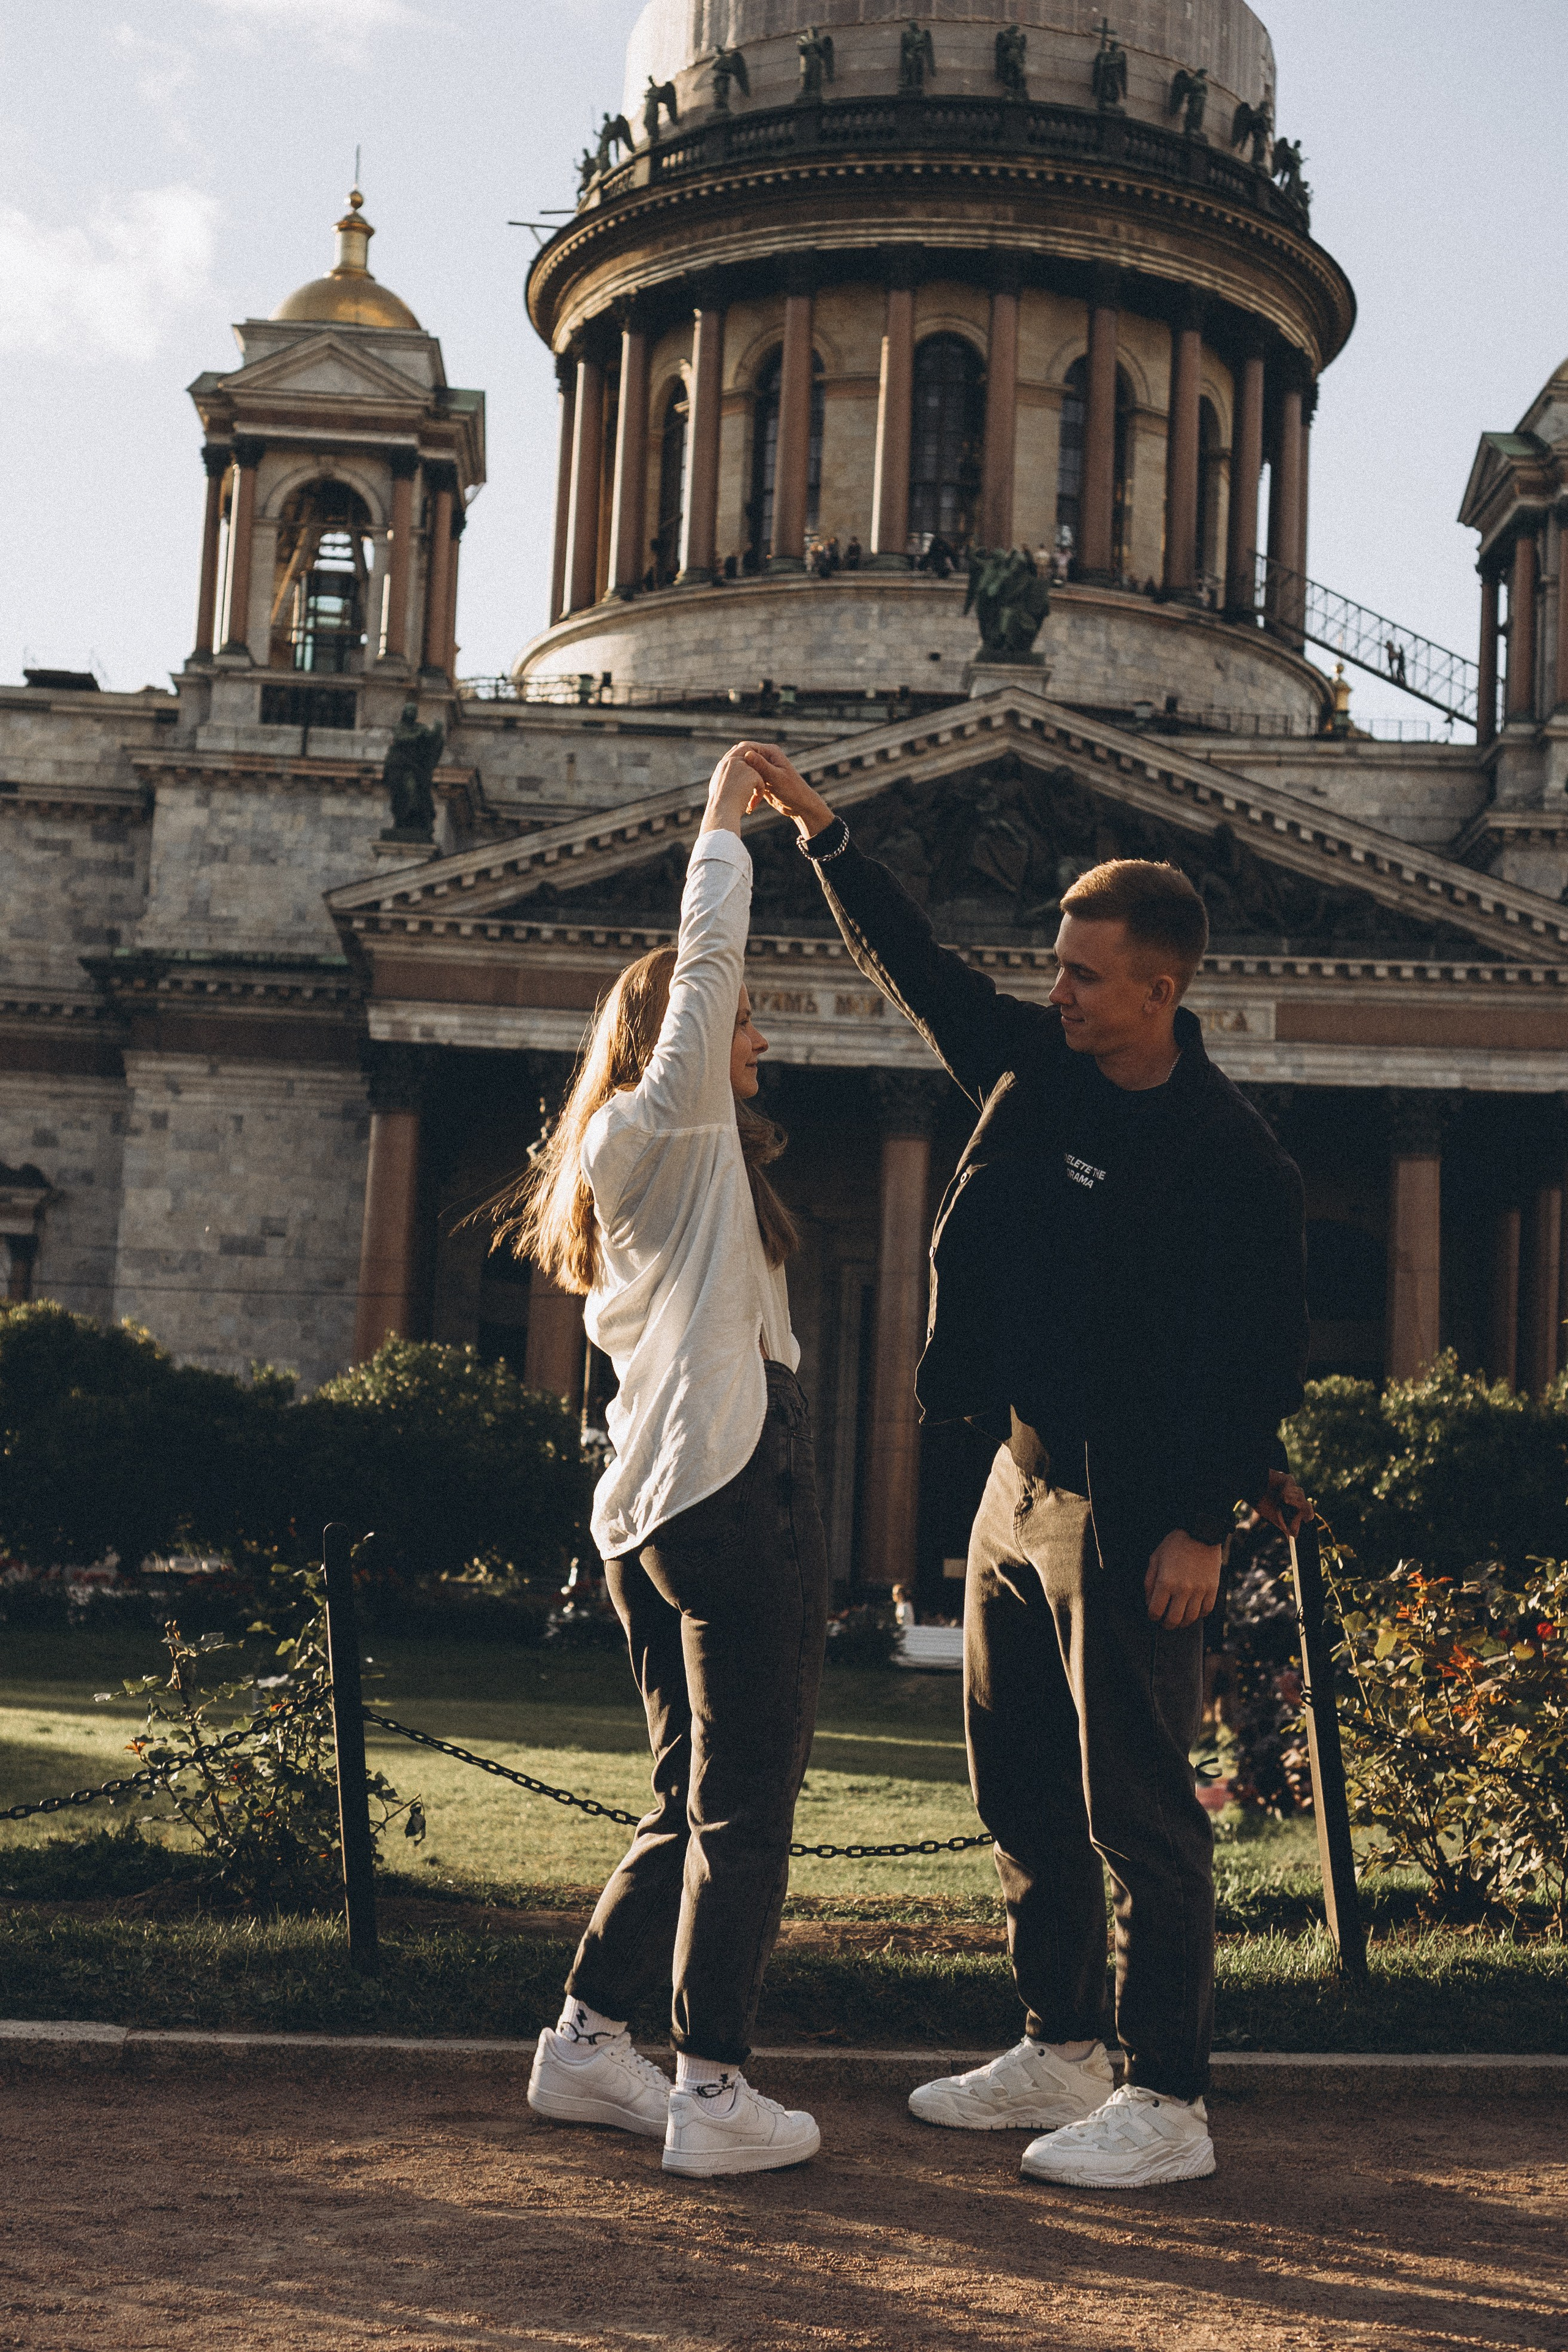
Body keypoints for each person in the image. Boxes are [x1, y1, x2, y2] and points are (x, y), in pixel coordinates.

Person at [736, 740, 1310, 2192]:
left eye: (1080, 975)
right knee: (1022, 1795)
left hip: (1133, 1515)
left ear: (1158, 991)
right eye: (1054, 966)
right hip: (1018, 1487)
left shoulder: (1231, 1157)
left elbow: (1256, 1355)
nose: (1053, 989)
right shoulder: (1039, 1073)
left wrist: (1200, 1526)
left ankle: (1167, 2097)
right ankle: (1062, 2046)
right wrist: (822, 837)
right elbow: (922, 975)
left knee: (1142, 1816)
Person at [497, 745, 828, 2179]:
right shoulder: (672, 1122)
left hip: (646, 1506)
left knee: (686, 1791)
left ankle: (586, 2042)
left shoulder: (630, 1156)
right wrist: (720, 829)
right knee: (747, 1801)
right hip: (730, 1483)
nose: (756, 1035)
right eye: (742, 1019)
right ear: (674, 1041)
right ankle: (710, 2087)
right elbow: (701, 968)